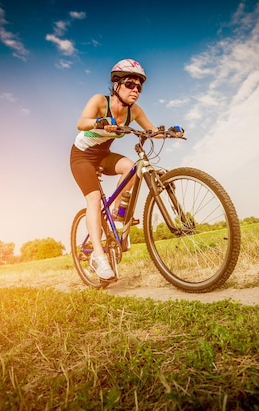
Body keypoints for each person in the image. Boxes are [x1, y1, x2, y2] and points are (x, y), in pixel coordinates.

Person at [70, 58, 175, 284]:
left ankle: (118, 216)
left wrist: (169, 132)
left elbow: (152, 131)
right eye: (130, 84)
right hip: (82, 157)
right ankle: (98, 256)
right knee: (95, 199)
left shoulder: (134, 111)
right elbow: (81, 122)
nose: (135, 90)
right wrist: (100, 122)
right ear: (116, 85)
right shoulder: (100, 101)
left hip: (103, 155)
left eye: (139, 87)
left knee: (131, 167)